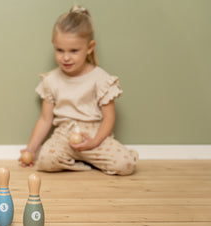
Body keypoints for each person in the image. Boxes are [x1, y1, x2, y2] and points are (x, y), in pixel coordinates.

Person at [19, 5, 138, 175]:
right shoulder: (51, 80)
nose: (66, 57)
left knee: (125, 165)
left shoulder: (100, 78)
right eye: (60, 50)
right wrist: (30, 149)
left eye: (74, 51)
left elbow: (109, 118)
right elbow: (45, 119)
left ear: (89, 47)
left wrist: (95, 141)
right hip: (63, 135)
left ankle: (90, 158)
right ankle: (78, 163)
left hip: (94, 134)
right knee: (45, 161)